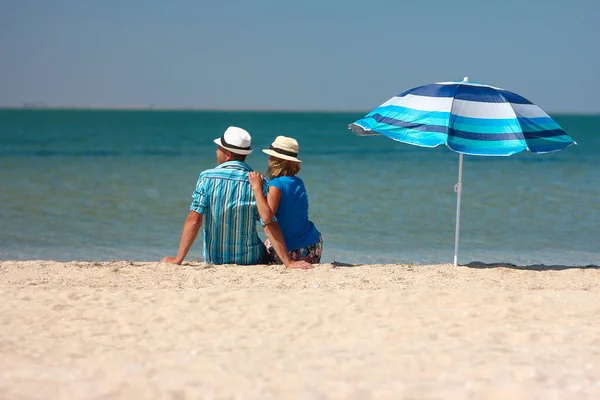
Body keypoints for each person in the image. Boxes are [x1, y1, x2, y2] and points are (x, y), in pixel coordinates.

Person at [161, 126, 313, 269]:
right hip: (250, 259)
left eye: (219, 148)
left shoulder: (206, 178)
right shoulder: (258, 182)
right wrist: (288, 262)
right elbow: (268, 224)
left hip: (214, 258)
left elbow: (194, 219)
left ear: (227, 155)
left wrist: (178, 259)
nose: (216, 151)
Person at [248, 136, 322, 264]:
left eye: (271, 157)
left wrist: (256, 187)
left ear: (278, 161)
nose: (268, 159)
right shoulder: (299, 182)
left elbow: (266, 217)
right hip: (313, 244)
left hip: (293, 250)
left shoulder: (276, 184)